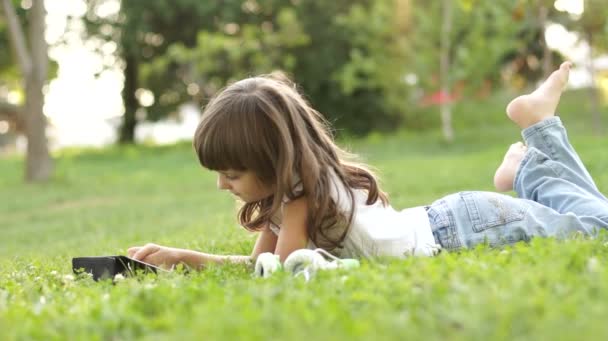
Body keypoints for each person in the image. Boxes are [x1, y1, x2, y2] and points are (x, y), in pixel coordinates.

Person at [127, 62, 608, 270]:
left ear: (272, 164)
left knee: (599, 225)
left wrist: (189, 258)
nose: (221, 186)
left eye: (232, 174)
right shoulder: (287, 196)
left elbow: (281, 268)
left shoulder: (299, 198)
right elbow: (262, 265)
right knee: (593, 220)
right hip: (453, 219)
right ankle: (525, 164)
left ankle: (535, 143)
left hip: (464, 228)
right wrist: (181, 256)